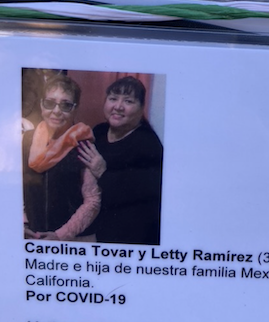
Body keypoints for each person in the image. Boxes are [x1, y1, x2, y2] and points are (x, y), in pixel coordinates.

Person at [78, 76, 164, 245]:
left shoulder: (148, 144)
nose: (118, 106)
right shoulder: (99, 132)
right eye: (113, 99)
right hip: (97, 232)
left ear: (141, 108)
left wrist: (103, 172)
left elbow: (146, 193)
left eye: (128, 101)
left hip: (131, 240)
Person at [22, 75, 100, 241]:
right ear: (42, 105)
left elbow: (93, 201)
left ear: (75, 108)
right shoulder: (27, 139)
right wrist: (22, 223)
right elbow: (16, 185)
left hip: (72, 241)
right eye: (50, 103)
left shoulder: (84, 145)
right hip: (32, 237)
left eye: (66, 105)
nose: (56, 111)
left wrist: (60, 235)